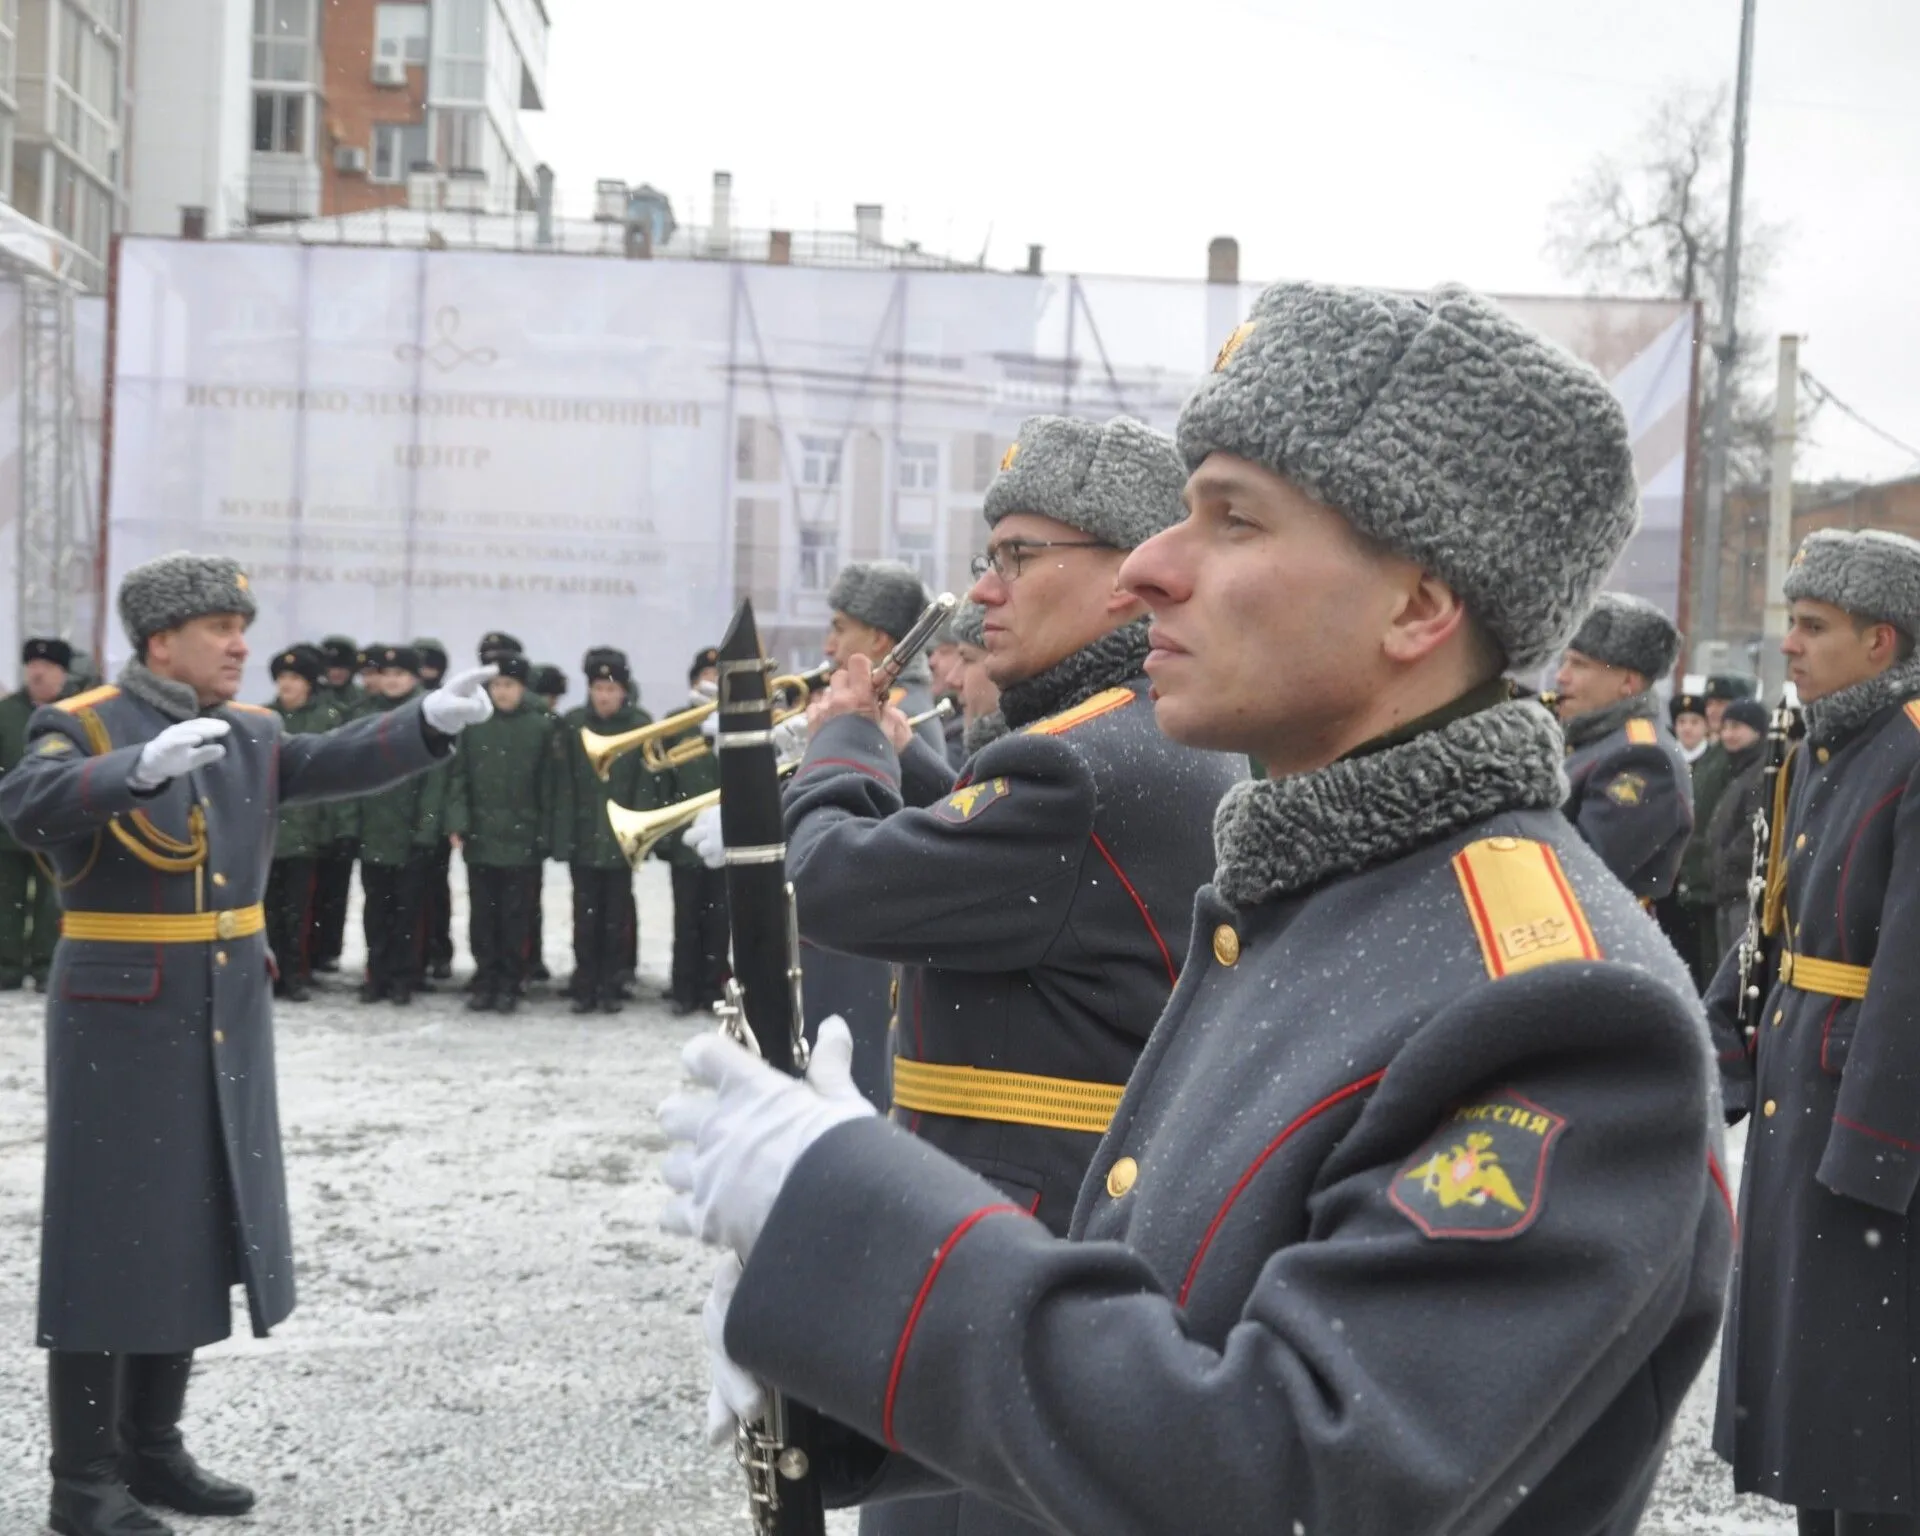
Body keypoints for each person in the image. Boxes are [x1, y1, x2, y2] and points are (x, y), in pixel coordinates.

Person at [661, 282, 1730, 1536]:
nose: (1154, 569)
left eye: (1231, 519)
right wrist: (847, 1368)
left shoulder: (1561, 1007)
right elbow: (1182, 1320)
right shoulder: (1327, 890)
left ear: (1419, 606)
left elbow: (1300, 1479)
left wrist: (871, 1236)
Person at [0, 554, 494, 1536]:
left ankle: (153, 1446)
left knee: (188, 1227)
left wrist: (427, 722)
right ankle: (83, 1483)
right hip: (121, 1016)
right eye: (222, 628)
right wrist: (131, 774)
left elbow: (333, 760)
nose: (241, 645)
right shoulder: (87, 722)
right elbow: (24, 802)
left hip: (221, 1008)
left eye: (243, 625)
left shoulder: (251, 730)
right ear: (160, 642)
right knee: (110, 1243)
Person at [774, 414, 1246, 1205]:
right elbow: (996, 846)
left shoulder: (1075, 767)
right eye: (990, 559)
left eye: (1020, 557)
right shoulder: (1129, 730)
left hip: (1026, 1203)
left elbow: (822, 885)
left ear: (1129, 577)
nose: (986, 590)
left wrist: (846, 744)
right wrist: (892, 757)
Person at [1704, 528, 1920, 1536]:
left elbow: (1913, 973)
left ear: (1882, 641)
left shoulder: (1910, 750)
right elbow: (1773, 926)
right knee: (1819, 1412)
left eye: (1812, 625)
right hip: (1809, 1102)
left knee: (1872, 1416)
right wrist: (1710, 1066)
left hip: (1866, 1127)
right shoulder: (1829, 742)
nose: (1788, 643)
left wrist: (1877, 1153)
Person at [1553, 592, 1694, 900]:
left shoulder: (1641, 757)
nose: (1561, 677)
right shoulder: (1595, 741)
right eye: (1564, 661)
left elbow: (1583, 872)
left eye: (1579, 665)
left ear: (1627, 682)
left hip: (1596, 940)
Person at [445, 651, 564, 1014]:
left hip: (522, 837)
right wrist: (457, 822)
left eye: (509, 685)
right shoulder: (474, 724)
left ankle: (512, 980)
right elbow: (458, 777)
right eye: (496, 685)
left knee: (516, 914)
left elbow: (549, 786)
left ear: (522, 687)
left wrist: (545, 832)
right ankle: (485, 977)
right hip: (481, 835)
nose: (502, 692)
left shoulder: (541, 726)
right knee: (483, 914)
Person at [558, 649, 657, 1014]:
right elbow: (563, 783)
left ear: (624, 691)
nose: (604, 696)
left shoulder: (641, 723)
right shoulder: (572, 725)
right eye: (598, 688)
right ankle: (586, 982)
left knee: (616, 915)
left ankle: (613, 982)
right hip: (584, 836)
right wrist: (564, 834)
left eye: (612, 689)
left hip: (620, 838)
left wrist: (640, 830)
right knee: (585, 916)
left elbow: (646, 783)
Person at [349, 646, 447, 1005]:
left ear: (414, 679)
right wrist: (351, 828)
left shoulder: (427, 717)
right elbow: (349, 774)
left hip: (409, 835)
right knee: (376, 911)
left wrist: (425, 831)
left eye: (400, 675)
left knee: (407, 913)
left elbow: (435, 783)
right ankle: (377, 974)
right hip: (374, 832)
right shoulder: (363, 715)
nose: (392, 681)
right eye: (387, 674)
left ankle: (405, 976)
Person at [264, 644, 342, 1002]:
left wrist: (330, 830)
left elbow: (335, 780)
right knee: (266, 911)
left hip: (304, 834)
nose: (287, 685)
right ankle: (270, 973)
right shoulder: (262, 719)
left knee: (297, 910)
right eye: (283, 677)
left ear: (310, 684)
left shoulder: (326, 719)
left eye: (295, 678)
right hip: (267, 833)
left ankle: (295, 973)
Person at [0, 637, 74, 990]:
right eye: (33, 667)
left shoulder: (73, 713)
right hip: (6, 826)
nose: (39, 673)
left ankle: (48, 967)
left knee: (53, 904)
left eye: (47, 668)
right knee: (6, 900)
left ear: (63, 674)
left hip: (56, 824)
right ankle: (7, 967)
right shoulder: (6, 712)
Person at [659, 646, 729, 1015]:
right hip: (685, 840)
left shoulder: (738, 724)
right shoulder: (676, 724)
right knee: (685, 920)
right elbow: (663, 782)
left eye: (718, 679)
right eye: (705, 678)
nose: (711, 684)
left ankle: (712, 989)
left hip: (724, 841)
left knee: (719, 922)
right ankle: (683, 989)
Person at [1660, 689, 1734, 985]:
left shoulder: (1718, 763)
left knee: (1700, 954)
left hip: (1699, 873)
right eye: (1682, 722)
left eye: (1694, 721)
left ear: (1705, 726)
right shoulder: (1664, 758)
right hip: (1668, 873)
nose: (1687, 728)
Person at [307, 634, 365, 976]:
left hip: (344, 802)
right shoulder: (319, 701)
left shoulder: (357, 702)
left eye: (343, 667)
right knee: (313, 888)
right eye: (331, 667)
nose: (337, 673)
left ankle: (329, 947)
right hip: (317, 810)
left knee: (337, 889)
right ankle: (311, 949)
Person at [1704, 697, 1770, 960]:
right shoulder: (1741, 769)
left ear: (1757, 731)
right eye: (1725, 727)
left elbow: (1756, 830)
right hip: (1730, 890)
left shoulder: (1761, 772)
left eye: (1737, 727)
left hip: (1745, 891)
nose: (1728, 734)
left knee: (1737, 966)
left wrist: (1725, 861)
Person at [412, 638, 456, 981]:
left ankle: (438, 949)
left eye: (432, 665)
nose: (427, 672)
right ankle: (418, 952)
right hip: (405, 814)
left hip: (437, 817)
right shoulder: (408, 706)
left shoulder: (447, 705)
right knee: (410, 894)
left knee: (436, 891)